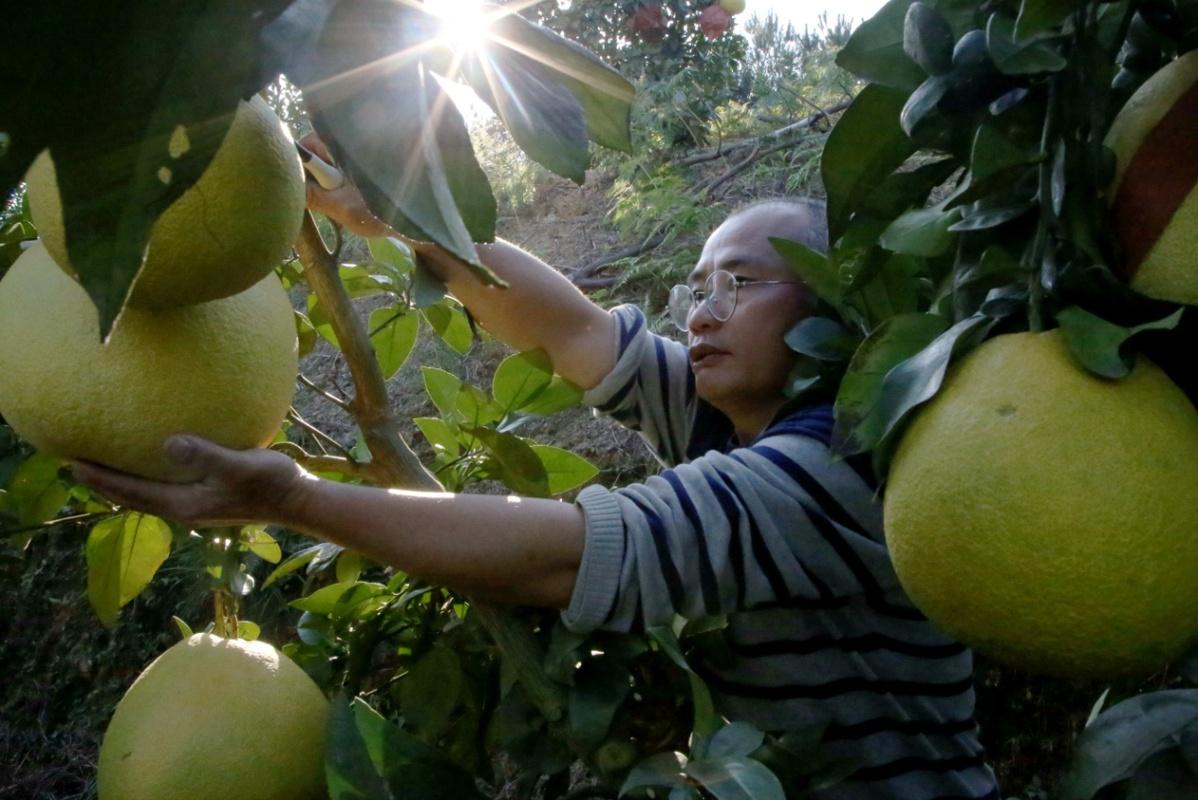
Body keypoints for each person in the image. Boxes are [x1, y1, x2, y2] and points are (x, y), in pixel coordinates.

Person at [72, 146, 1000, 799]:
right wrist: (398, 219)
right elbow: (570, 332)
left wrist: (294, 499)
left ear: (837, 309)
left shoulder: (836, 464)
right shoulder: (727, 420)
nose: (703, 311)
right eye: (699, 285)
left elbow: (579, 554)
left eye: (744, 283)